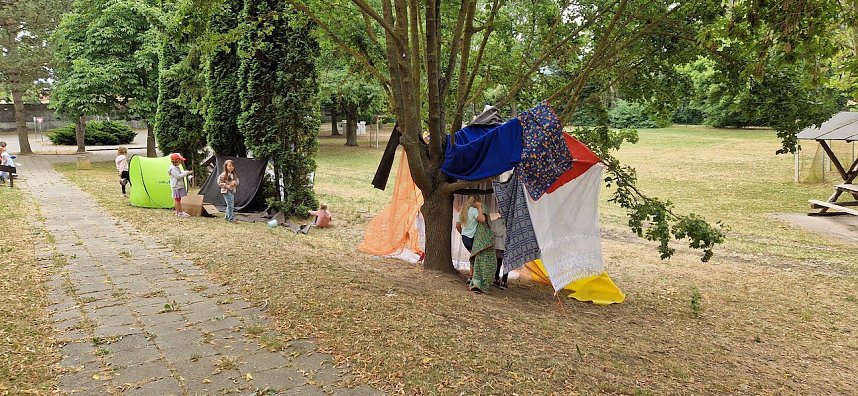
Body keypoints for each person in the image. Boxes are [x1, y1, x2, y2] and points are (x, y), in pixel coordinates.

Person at [456, 194, 486, 284]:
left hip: (465, 238)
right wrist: (480, 207)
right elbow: (482, 219)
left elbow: (457, 225)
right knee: (476, 257)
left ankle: (471, 276)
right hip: (472, 238)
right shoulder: (474, 211)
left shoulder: (463, 210)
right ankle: (473, 277)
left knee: (474, 256)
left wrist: (462, 233)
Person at [168, 153, 193, 217]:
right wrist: (186, 173)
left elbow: (181, 172)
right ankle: (180, 213)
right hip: (176, 186)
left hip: (178, 186)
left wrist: (186, 172)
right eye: (180, 160)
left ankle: (178, 212)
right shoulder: (172, 168)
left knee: (178, 199)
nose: (181, 162)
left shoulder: (176, 167)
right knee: (178, 200)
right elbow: (178, 176)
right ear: (176, 161)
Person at [490, 215, 509, 290]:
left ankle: (496, 279)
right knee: (506, 263)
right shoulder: (508, 223)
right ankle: (504, 281)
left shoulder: (494, 222)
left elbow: (492, 231)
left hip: (497, 245)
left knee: (498, 262)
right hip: (505, 245)